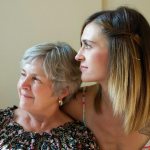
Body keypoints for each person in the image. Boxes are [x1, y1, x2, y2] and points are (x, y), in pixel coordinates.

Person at [63, 6, 150, 149]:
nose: (78, 56)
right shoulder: (74, 106)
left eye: (88, 45)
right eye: (81, 45)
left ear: (122, 51)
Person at [0, 42, 99, 149]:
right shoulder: (2, 122)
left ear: (62, 91)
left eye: (36, 79)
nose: (23, 85)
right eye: (23, 74)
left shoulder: (79, 141)